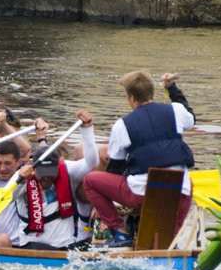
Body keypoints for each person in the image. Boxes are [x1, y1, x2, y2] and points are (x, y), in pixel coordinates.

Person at [83, 71, 195, 248]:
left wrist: (106, 202)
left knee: (90, 180)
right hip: (178, 193)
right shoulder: (175, 110)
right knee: (188, 182)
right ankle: (171, 241)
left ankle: (120, 232)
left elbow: (115, 167)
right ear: (152, 93)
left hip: (141, 195)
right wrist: (171, 88)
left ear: (132, 98)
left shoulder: (122, 125)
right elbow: (191, 118)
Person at [13, 110, 98, 250]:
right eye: (43, 173)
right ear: (33, 169)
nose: (47, 178)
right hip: (30, 247)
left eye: (51, 173)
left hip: (63, 247)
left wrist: (87, 130)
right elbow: (9, 198)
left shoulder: (68, 170)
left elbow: (92, 163)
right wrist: (20, 180)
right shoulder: (22, 175)